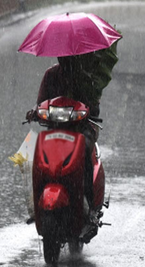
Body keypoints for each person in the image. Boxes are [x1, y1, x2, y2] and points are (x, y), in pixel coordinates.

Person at [26, 42, 119, 210]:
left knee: (84, 149)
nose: (65, 59)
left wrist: (89, 108)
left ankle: (88, 202)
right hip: (55, 130)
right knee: (39, 154)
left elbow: (93, 106)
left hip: (83, 129)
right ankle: (36, 202)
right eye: (62, 56)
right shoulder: (51, 75)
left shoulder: (87, 78)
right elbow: (40, 102)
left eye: (69, 56)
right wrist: (34, 112)